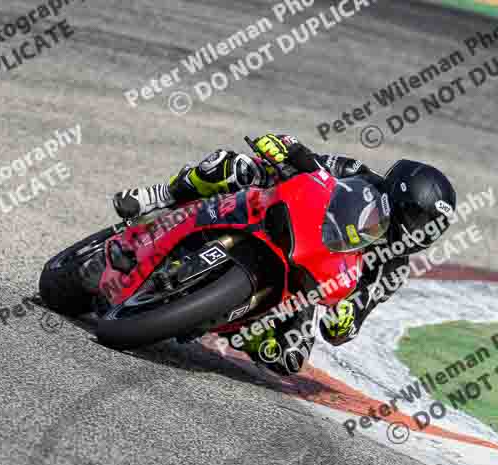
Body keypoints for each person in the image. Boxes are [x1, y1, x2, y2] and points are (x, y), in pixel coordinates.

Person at [112, 134, 457, 375]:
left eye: (428, 227)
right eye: (416, 218)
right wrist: (283, 150)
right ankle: (158, 196)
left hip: (308, 280)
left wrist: (346, 317)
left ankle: (232, 322)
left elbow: (349, 325)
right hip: (281, 215)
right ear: (398, 197)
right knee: (234, 166)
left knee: (287, 356)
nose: (417, 230)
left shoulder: (393, 266)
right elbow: (306, 161)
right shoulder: (357, 174)